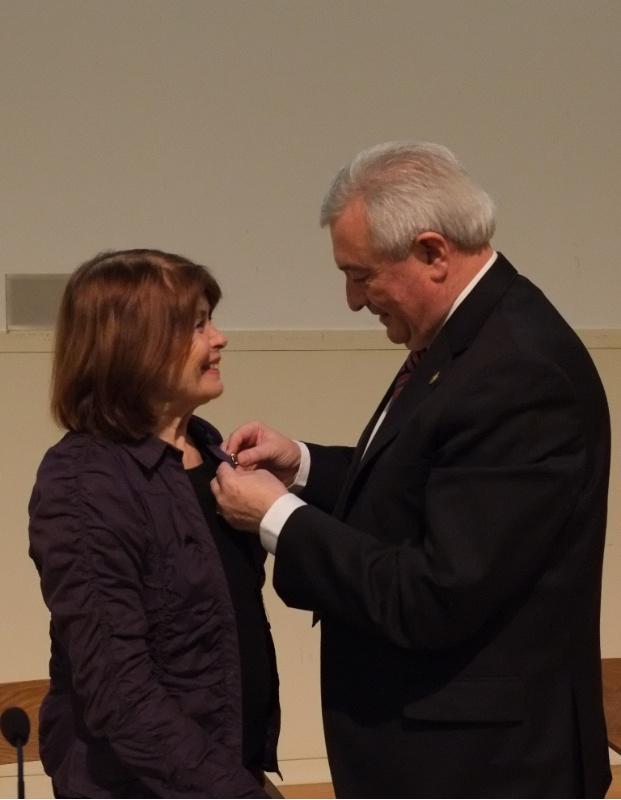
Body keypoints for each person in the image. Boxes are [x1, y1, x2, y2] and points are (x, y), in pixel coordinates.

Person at [211, 142, 612, 798]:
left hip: (483, 769)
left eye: (360, 275)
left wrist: (277, 517)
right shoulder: (476, 339)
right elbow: (431, 484)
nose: (350, 300)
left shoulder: (515, 372)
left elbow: (435, 594)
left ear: (431, 252)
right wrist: (305, 467)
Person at [28, 249, 280, 798]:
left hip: (227, 772)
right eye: (197, 325)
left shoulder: (208, 449)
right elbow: (119, 691)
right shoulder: (83, 482)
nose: (220, 339)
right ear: (135, 345)